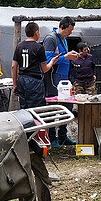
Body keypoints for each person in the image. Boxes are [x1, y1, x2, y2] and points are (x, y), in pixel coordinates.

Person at [43, 16, 78, 147]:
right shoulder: (51, 39)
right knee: (54, 106)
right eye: (69, 31)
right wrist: (66, 56)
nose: (70, 34)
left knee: (66, 107)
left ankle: (63, 136)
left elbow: (63, 56)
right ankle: (52, 138)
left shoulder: (63, 39)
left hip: (64, 77)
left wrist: (70, 55)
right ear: (62, 27)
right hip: (54, 77)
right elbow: (48, 60)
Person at [12, 21, 60, 110]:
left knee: (24, 108)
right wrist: (52, 61)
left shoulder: (19, 46)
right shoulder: (39, 47)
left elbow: (14, 66)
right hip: (34, 81)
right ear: (36, 32)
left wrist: (15, 84)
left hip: (22, 79)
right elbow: (45, 69)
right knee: (36, 110)